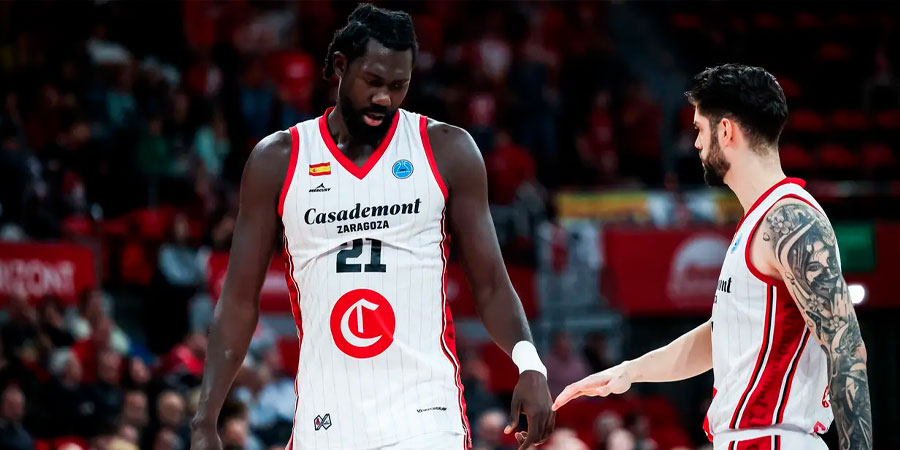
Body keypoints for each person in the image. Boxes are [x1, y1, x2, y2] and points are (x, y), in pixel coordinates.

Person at [190, 5, 553, 450]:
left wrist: (529, 363)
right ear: (340, 66)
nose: (384, 98)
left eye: (398, 85)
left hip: (425, 419)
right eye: (374, 82)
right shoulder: (278, 160)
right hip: (326, 423)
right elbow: (238, 301)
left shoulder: (447, 151)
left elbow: (493, 285)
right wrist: (205, 418)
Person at [553, 64, 872, 450]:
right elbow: (720, 335)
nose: (696, 144)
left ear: (726, 131)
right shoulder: (758, 220)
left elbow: (845, 345)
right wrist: (628, 371)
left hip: (772, 439)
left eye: (699, 129)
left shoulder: (789, 219)